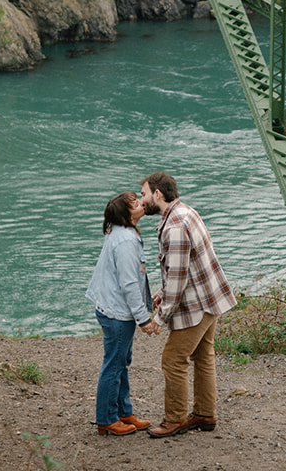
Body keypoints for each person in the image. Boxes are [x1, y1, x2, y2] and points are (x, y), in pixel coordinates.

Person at [137, 171, 237, 438]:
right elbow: (183, 268)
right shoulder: (186, 211)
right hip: (211, 297)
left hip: (195, 305)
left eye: (144, 194)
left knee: (173, 359)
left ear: (157, 194)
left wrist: (160, 318)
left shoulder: (174, 228)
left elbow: (179, 280)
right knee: (203, 356)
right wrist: (161, 292)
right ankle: (205, 414)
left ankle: (175, 420)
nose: (142, 200)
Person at [85, 190, 155, 436]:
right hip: (116, 312)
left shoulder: (121, 233)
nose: (141, 203)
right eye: (135, 203)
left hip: (109, 306)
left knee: (121, 363)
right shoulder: (126, 240)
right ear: (126, 214)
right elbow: (129, 284)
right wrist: (143, 318)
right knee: (114, 365)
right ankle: (106, 419)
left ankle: (123, 412)